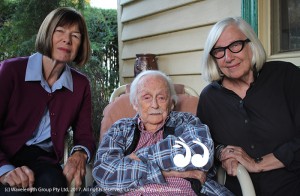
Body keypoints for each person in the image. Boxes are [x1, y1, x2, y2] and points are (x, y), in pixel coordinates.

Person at [197, 16, 300, 196]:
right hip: (239, 190)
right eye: (219, 51)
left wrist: (256, 164)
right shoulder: (209, 97)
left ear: (251, 45)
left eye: (235, 45)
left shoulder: (286, 76)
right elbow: (205, 145)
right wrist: (222, 153)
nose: (228, 57)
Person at [0, 7, 96, 195]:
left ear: (80, 45)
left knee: (55, 187)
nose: (67, 40)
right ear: (47, 34)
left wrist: (80, 154)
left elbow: (85, 135)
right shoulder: (10, 71)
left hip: (44, 161)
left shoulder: (81, 85)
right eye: (59, 31)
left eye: (75, 36)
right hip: (4, 153)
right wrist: (4, 169)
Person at [92, 70, 233, 196]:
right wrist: (170, 172)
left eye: (161, 97)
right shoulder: (120, 128)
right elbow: (104, 173)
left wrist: (136, 158)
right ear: (135, 104)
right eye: (146, 97)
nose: (154, 104)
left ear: (171, 103)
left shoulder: (186, 121)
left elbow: (200, 154)